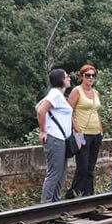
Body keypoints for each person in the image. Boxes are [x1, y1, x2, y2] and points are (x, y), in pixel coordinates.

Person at [65, 64, 103, 198]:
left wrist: (100, 129)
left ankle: (88, 194)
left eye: (93, 75)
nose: (91, 78)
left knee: (91, 167)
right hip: (82, 134)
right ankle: (73, 194)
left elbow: (96, 112)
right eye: (88, 75)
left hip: (96, 134)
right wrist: (76, 129)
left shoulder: (95, 92)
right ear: (82, 77)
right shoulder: (77, 91)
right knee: (83, 166)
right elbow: (69, 112)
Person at [36, 68, 73, 204]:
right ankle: (45, 207)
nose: (69, 78)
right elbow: (41, 110)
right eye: (67, 76)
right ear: (61, 80)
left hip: (61, 139)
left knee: (61, 174)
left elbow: (38, 106)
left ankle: (56, 204)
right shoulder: (55, 94)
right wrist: (43, 130)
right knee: (54, 174)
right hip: (55, 138)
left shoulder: (56, 95)